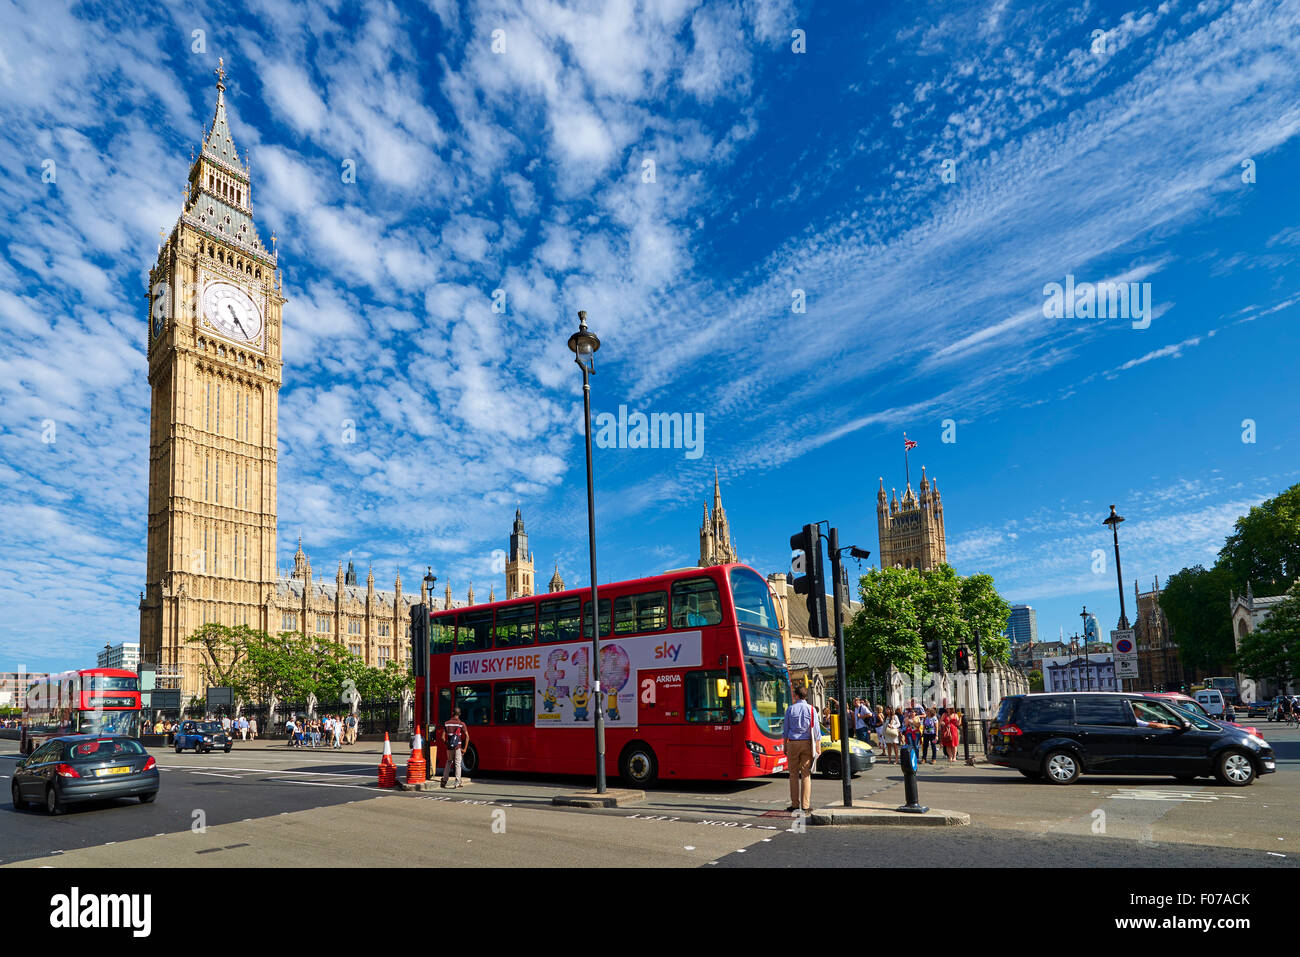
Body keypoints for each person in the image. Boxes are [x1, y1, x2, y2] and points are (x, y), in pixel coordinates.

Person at [781, 685, 818, 814]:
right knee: (806, 774)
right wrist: (817, 747)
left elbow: (785, 730)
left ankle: (795, 804)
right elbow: (817, 731)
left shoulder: (790, 709)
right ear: (805, 696)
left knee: (793, 774)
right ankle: (806, 805)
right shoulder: (812, 710)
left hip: (793, 742)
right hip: (808, 743)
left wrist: (785, 745)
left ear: (796, 695)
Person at [440, 708, 470, 788]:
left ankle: (444, 780)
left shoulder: (446, 723)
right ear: (459, 714)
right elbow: (467, 737)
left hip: (449, 747)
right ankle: (457, 782)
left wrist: (448, 744)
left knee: (449, 762)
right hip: (458, 747)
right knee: (457, 764)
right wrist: (465, 749)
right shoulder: (461, 724)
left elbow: (442, 738)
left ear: (452, 713)